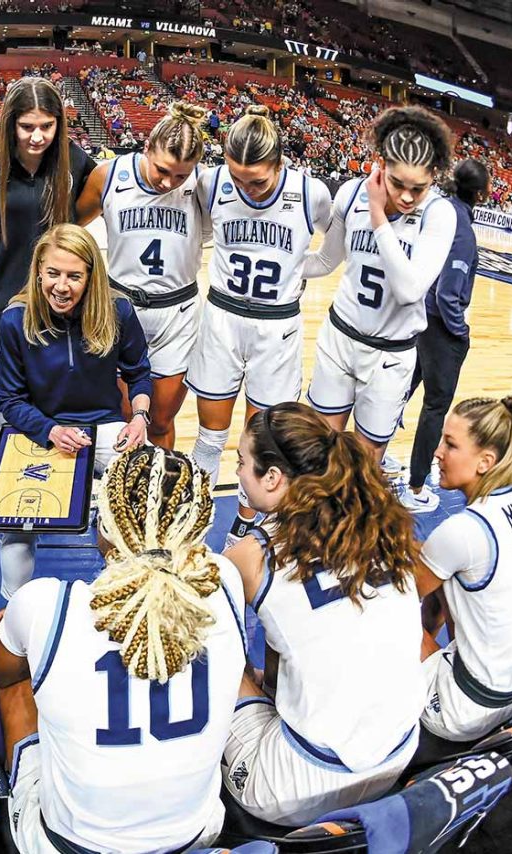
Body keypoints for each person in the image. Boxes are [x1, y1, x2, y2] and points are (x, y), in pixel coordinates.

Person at [0, 446, 246, 852]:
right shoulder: (226, 580)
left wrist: (24, 632)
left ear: (104, 529)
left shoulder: (45, 605)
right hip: (193, 835)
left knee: (15, 678)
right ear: (197, 525)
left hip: (68, 843)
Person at [222, 403, 424, 825]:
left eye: (243, 462)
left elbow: (200, 631)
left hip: (301, 787)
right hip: (399, 755)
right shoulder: (380, 524)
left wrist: (250, 682)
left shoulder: (251, 557)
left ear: (273, 477)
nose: (239, 472)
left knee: (217, 664)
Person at [187, 105, 333, 543]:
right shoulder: (211, 182)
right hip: (222, 318)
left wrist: (294, 268)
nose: (246, 189)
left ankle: (245, 529)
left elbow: (332, 253)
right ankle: (192, 521)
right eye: (237, 179)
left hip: (277, 327)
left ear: (280, 163)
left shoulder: (311, 193)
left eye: (257, 181)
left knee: (262, 442)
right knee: (209, 437)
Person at [0, 223, 151, 598]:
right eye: (52, 274)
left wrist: (140, 417)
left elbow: (139, 373)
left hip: (105, 427)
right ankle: (14, 607)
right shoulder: (15, 320)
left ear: (91, 277)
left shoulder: (118, 311)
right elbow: (10, 401)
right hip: (41, 433)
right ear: (38, 273)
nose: (61, 286)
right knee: (15, 528)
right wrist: (50, 431)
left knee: (142, 495)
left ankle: (131, 594)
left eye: (73, 276)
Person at [302, 106, 458, 461]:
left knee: (364, 466)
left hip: (391, 355)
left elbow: (409, 290)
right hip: (339, 338)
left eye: (417, 188)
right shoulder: (349, 193)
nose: (406, 196)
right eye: (398, 183)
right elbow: (326, 261)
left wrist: (377, 216)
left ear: (434, 175)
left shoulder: (439, 214)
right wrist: (286, 267)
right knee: (317, 453)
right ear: (380, 164)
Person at [416, 397, 512, 741]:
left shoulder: (463, 532)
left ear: (485, 462)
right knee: (447, 576)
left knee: (375, 609)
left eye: (450, 444)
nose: (437, 452)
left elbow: (398, 600)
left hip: (465, 711)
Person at [75, 102, 210, 449]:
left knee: (161, 421)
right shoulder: (109, 175)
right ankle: (122, 495)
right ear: (146, 147)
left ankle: (157, 495)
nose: (169, 182)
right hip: (121, 309)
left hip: (176, 314)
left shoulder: (203, 185)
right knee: (123, 415)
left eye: (180, 175)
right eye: (162, 170)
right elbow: (69, 226)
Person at [0, 77, 96, 440]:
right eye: (27, 126)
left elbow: (83, 214)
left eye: (47, 126)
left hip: (61, 308)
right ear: (10, 122)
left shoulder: (74, 161)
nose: (37, 136)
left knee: (60, 417)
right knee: (5, 421)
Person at [401, 159, 489, 513]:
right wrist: (460, 332)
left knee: (401, 389)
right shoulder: (462, 230)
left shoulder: (437, 209)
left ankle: (371, 456)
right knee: (435, 407)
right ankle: (416, 486)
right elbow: (448, 294)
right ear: (481, 194)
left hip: (415, 316)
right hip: (439, 327)